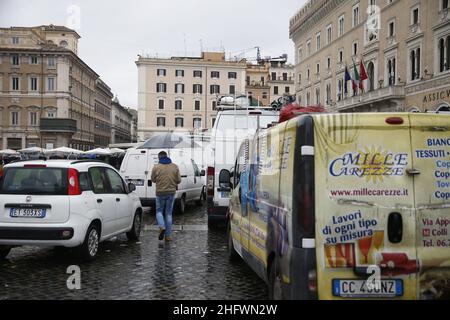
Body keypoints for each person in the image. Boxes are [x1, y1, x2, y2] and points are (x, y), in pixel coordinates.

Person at [151, 151, 181, 242]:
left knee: (159, 211)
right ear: (167, 157)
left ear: (159, 158)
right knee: (168, 213)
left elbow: (152, 179)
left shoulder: (156, 167)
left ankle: (162, 226)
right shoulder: (175, 166)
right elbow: (179, 180)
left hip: (160, 192)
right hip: (171, 192)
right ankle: (168, 236)